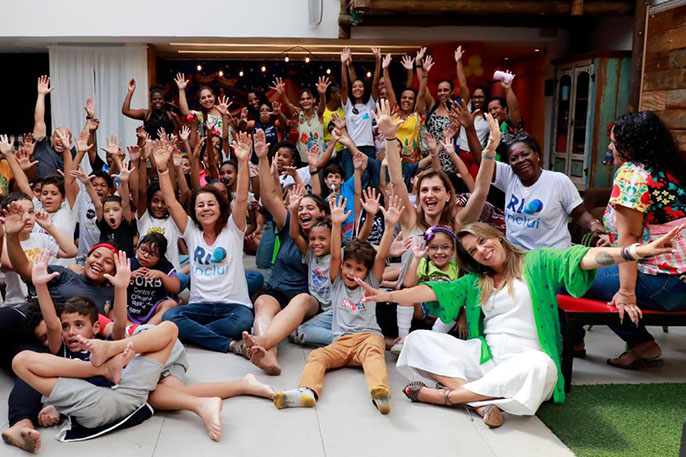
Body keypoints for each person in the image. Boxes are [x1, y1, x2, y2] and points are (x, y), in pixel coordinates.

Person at [355, 221, 681, 428]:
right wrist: (386, 296)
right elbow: (433, 289)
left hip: (524, 360)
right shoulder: (477, 281)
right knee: (417, 341)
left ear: (496, 236)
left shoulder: (536, 262)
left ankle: (446, 397)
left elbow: (583, 258)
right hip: (485, 360)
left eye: (483, 241)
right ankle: (482, 404)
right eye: (472, 251)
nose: (482, 251)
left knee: (542, 367)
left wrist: (636, 250)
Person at [272, 195, 404, 414]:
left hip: (367, 338)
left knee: (374, 356)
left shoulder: (370, 282)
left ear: (367, 272)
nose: (352, 273)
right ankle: (307, 391)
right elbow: (334, 255)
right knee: (318, 356)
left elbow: (380, 257)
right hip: (341, 340)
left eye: (359, 269)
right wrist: (335, 224)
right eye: (348, 266)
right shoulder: (337, 282)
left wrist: (390, 225)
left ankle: (380, 393)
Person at [582, 111, 686, 368]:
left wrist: (626, 293)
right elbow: (655, 226)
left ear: (632, 145)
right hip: (679, 282)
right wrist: (613, 241)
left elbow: (631, 236)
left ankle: (576, 343)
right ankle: (642, 346)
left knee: (568, 277)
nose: (610, 146)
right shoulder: (671, 170)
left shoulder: (633, 174)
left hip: (664, 283)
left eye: (615, 141)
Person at [238, 131, 329, 374]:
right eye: (301, 207)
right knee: (263, 304)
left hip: (307, 298)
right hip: (278, 289)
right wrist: (263, 158)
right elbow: (268, 197)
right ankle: (268, 357)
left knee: (299, 301)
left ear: (322, 215)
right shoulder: (288, 223)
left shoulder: (326, 237)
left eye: (311, 207)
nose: (304, 210)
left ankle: (263, 344)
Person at [159, 131, 253, 353]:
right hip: (199, 305)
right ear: (194, 211)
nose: (206, 209)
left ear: (220, 208)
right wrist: (163, 169)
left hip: (234, 306)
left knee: (243, 322)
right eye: (200, 205)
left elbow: (241, 197)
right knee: (170, 316)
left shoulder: (233, 228)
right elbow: (171, 202)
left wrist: (243, 161)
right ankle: (228, 344)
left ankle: (195, 333)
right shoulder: (191, 230)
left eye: (211, 204)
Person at [475, 134, 605, 251]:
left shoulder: (558, 181)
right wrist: (469, 128)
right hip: (517, 257)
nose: (520, 160)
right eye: (514, 158)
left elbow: (579, 212)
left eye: (525, 154)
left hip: (552, 259)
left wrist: (593, 224)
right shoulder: (509, 176)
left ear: (537, 156)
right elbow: (483, 164)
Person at [392, 226, 467, 355]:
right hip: (424, 308)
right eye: (433, 247)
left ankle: (434, 338)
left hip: (445, 312)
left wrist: (463, 317)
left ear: (453, 250)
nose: (439, 252)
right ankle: (403, 338)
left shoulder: (456, 269)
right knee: (405, 295)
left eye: (445, 247)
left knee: (455, 303)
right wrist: (416, 258)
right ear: (427, 250)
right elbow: (408, 283)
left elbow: (464, 296)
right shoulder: (424, 264)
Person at [1, 195, 78, 305]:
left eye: (31, 212)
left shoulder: (41, 238)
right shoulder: (4, 243)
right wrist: (9, 233)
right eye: (20, 213)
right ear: (7, 216)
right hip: (18, 305)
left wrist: (49, 226)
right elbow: (9, 264)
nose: (27, 217)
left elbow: (71, 252)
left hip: (45, 301)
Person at [339, 47, 381, 176]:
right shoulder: (348, 106)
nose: (357, 88)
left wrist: (378, 60)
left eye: (360, 86)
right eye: (355, 86)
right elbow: (345, 85)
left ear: (364, 88)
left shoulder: (370, 105)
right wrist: (343, 64)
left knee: (368, 182)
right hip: (349, 149)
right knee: (350, 180)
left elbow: (375, 83)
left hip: (368, 148)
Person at [270, 77, 327, 163]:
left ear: (314, 100)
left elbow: (322, 104)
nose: (306, 101)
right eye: (302, 99)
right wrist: (282, 94)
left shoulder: (319, 113)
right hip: (302, 160)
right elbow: (288, 105)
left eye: (308, 98)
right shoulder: (298, 114)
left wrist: (322, 94)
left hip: (320, 159)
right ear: (299, 102)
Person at [127, 233, 180, 325]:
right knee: (112, 308)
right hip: (129, 306)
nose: (146, 255)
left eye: (152, 254)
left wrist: (162, 275)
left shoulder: (165, 267)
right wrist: (129, 276)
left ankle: (147, 329)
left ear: (160, 257)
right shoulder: (129, 263)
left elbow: (175, 288)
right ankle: (130, 327)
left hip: (153, 308)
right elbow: (115, 284)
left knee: (171, 304)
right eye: (143, 250)